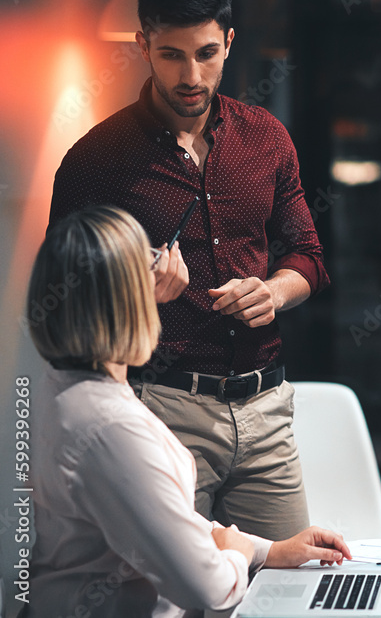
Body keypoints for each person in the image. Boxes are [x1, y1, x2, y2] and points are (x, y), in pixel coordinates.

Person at [48, 0, 328, 540]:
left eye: (206, 53)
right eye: (172, 55)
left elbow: (308, 256)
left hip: (266, 412)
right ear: (143, 46)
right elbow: (59, 307)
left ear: (229, 42)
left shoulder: (266, 138)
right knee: (179, 585)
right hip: (161, 408)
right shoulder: (95, 162)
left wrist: (274, 292)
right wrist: (136, 293)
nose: (191, 76)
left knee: (289, 578)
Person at [24, 206, 351, 618]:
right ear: (123, 301)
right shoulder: (111, 430)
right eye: (148, 266)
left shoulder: (63, 390)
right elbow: (212, 588)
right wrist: (239, 551)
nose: (163, 277)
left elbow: (163, 519)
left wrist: (268, 551)